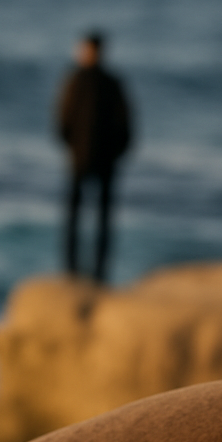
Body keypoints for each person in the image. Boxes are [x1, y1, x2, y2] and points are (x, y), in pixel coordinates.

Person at [55, 31, 133, 281]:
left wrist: (116, 152)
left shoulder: (84, 81)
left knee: (94, 220)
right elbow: (63, 122)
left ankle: (92, 271)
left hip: (92, 159)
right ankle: (75, 269)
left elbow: (124, 125)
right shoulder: (87, 81)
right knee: (81, 220)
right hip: (88, 159)